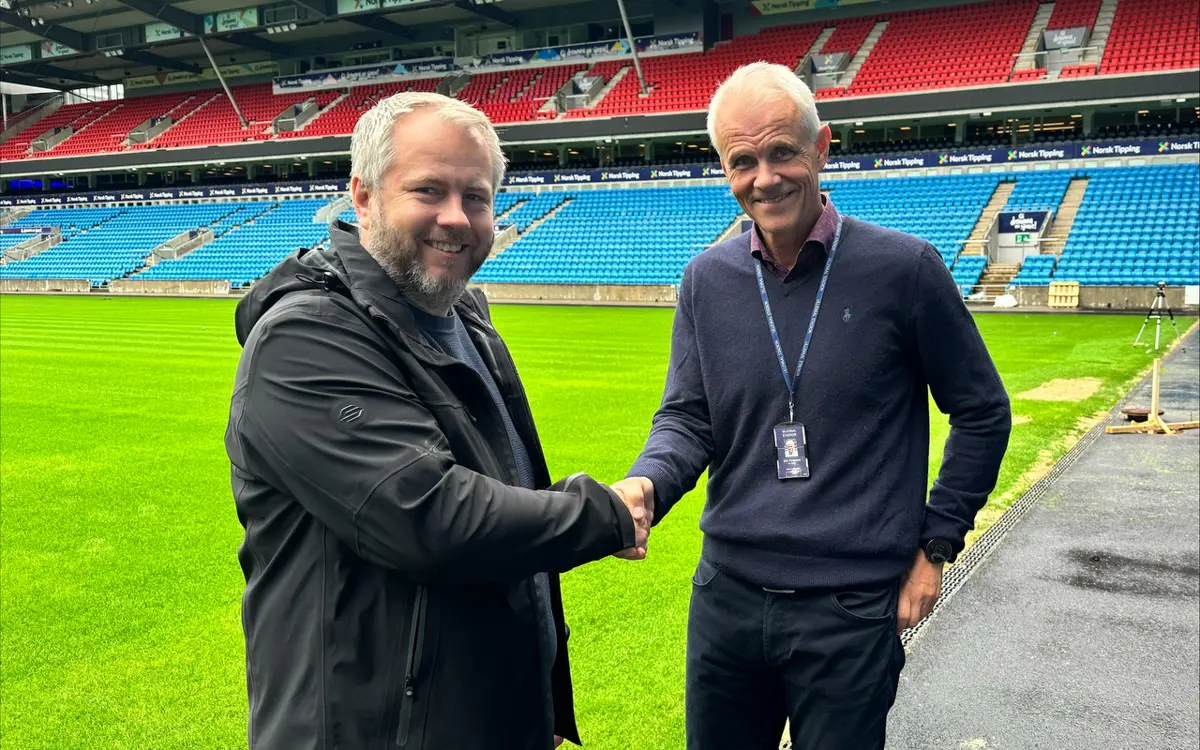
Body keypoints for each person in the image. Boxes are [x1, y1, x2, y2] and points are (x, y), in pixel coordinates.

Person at [225, 91, 654, 750]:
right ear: (363, 197)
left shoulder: (465, 322)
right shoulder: (302, 337)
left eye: (476, 197)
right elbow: (431, 518)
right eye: (428, 191)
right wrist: (603, 513)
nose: (456, 219)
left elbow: (504, 509)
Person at [624, 62, 1012, 750]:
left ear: (822, 147)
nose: (764, 177)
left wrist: (935, 547)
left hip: (852, 606)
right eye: (742, 161)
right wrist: (647, 482)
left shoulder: (904, 269)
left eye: (782, 152)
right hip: (727, 599)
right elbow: (687, 417)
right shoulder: (705, 279)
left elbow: (981, 410)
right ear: (723, 168)